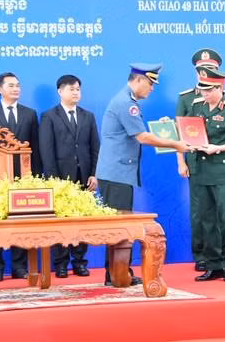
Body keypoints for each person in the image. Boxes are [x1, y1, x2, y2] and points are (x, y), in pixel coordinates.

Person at [95, 63, 191, 286]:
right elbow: (142, 137)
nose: (152, 89)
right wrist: (175, 143)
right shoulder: (126, 104)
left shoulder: (126, 101)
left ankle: (116, 273)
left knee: (118, 224)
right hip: (117, 173)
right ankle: (118, 274)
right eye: (149, 84)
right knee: (120, 225)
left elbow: (142, 132)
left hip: (116, 172)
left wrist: (166, 131)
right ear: (137, 80)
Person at [0, 72, 42, 281]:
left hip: (22, 176)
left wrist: (36, 175)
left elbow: (35, 147)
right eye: (11, 85)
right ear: (0, 89)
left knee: (21, 221)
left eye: (18, 85)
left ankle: (19, 266)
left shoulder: (30, 114)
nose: (16, 89)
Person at [175, 48, 225, 272]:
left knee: (223, 211)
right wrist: (180, 161)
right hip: (196, 161)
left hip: (220, 162)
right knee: (200, 211)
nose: (206, 72)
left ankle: (222, 256)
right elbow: (179, 132)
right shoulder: (186, 97)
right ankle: (201, 255)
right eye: (203, 69)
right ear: (196, 71)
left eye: (211, 69)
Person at [188, 67, 225, 282]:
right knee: (207, 218)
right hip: (202, 169)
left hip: (223, 171)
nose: (204, 94)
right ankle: (213, 264)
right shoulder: (197, 108)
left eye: (208, 90)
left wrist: (218, 147)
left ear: (219, 87)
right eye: (202, 90)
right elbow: (191, 132)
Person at [39, 74, 100, 278]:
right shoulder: (49, 116)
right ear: (60, 91)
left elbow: (95, 148)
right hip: (60, 178)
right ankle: (61, 263)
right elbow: (46, 150)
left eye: (78, 89)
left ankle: (80, 262)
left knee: (81, 220)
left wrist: (94, 174)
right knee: (60, 222)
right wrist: (53, 180)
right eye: (71, 89)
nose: (76, 93)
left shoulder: (88, 116)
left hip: (84, 176)